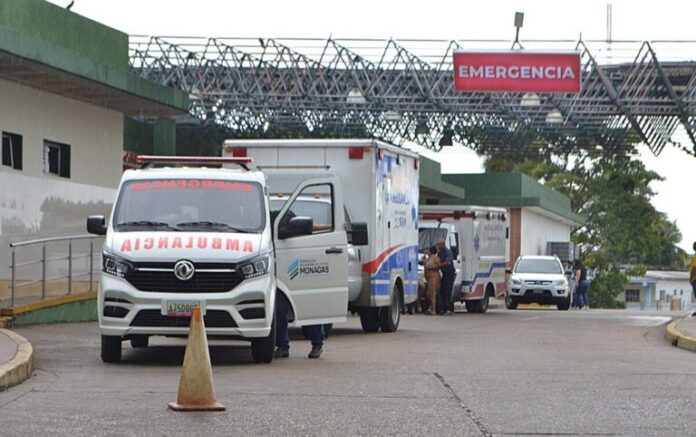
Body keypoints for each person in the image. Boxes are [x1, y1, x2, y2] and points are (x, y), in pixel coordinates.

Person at [436, 238, 456, 315]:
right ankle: (443, 308)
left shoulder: (448, 252)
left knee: (448, 291)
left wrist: (439, 265)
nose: (438, 246)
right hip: (444, 273)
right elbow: (437, 259)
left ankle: (449, 309)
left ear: (443, 245)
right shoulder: (440, 253)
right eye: (437, 245)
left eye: (439, 245)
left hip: (449, 274)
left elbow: (448, 262)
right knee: (442, 291)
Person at [423, 246, 442, 315]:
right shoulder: (429, 258)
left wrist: (432, 266)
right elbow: (425, 263)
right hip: (429, 278)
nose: (427, 252)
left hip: (434, 278)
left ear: (431, 251)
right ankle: (430, 308)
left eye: (428, 251)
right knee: (428, 294)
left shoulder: (435, 258)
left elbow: (439, 265)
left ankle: (433, 310)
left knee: (432, 294)